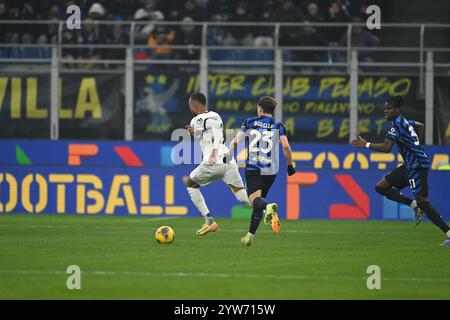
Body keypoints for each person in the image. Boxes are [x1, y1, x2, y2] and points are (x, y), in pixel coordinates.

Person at [351, 96, 450, 247]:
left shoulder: (395, 125)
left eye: (389, 108)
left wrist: (366, 145)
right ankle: (413, 204)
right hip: (409, 165)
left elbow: (386, 148)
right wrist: (414, 144)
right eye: (385, 108)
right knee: (381, 187)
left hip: (416, 166)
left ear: (397, 109)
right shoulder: (404, 121)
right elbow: (420, 125)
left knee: (424, 202)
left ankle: (448, 233)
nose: (386, 111)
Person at [229, 96, 296, 246]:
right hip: (271, 171)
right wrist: (290, 165)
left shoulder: (249, 122)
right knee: (258, 202)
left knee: (255, 202)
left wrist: (227, 156)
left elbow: (235, 141)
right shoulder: (279, 125)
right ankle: (249, 236)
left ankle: (269, 207)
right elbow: (286, 147)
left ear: (260, 107)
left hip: (254, 168)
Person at [184, 92, 250, 236]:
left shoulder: (197, 119)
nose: (190, 109)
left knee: (190, 184)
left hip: (213, 162)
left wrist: (214, 150)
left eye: (190, 106)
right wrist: (193, 133)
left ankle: (209, 221)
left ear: (194, 106)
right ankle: (265, 207)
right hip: (228, 160)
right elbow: (210, 132)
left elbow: (214, 129)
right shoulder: (216, 115)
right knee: (241, 194)